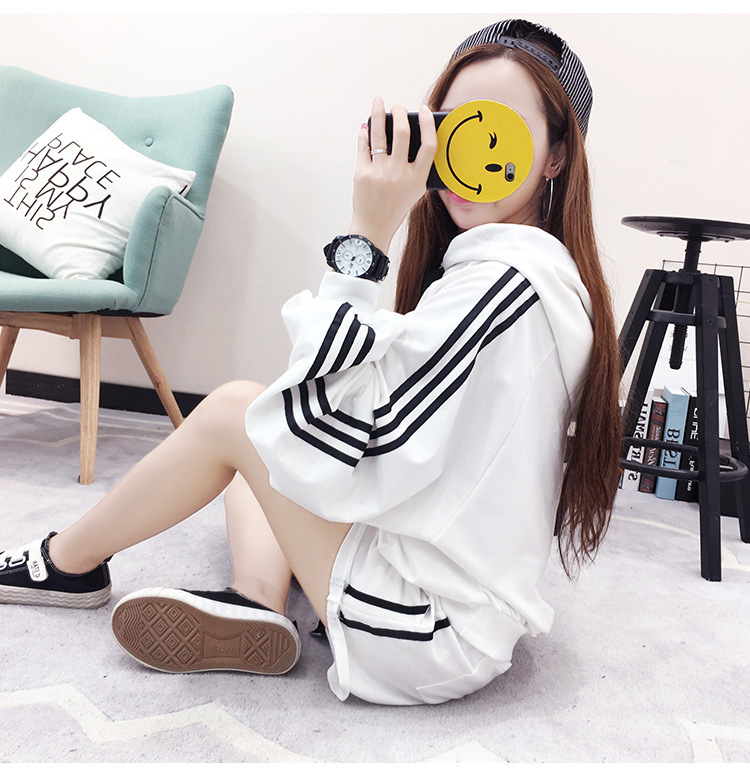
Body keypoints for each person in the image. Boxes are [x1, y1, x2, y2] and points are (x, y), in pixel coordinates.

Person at [0, 19, 622, 705]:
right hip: (436, 585)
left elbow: (337, 436)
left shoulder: (506, 283)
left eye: (498, 132)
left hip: (427, 632)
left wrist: (367, 233)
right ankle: (256, 600)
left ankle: (67, 562)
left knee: (241, 413)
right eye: (451, 128)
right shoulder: (527, 274)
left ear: (556, 156)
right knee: (265, 437)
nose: (467, 154)